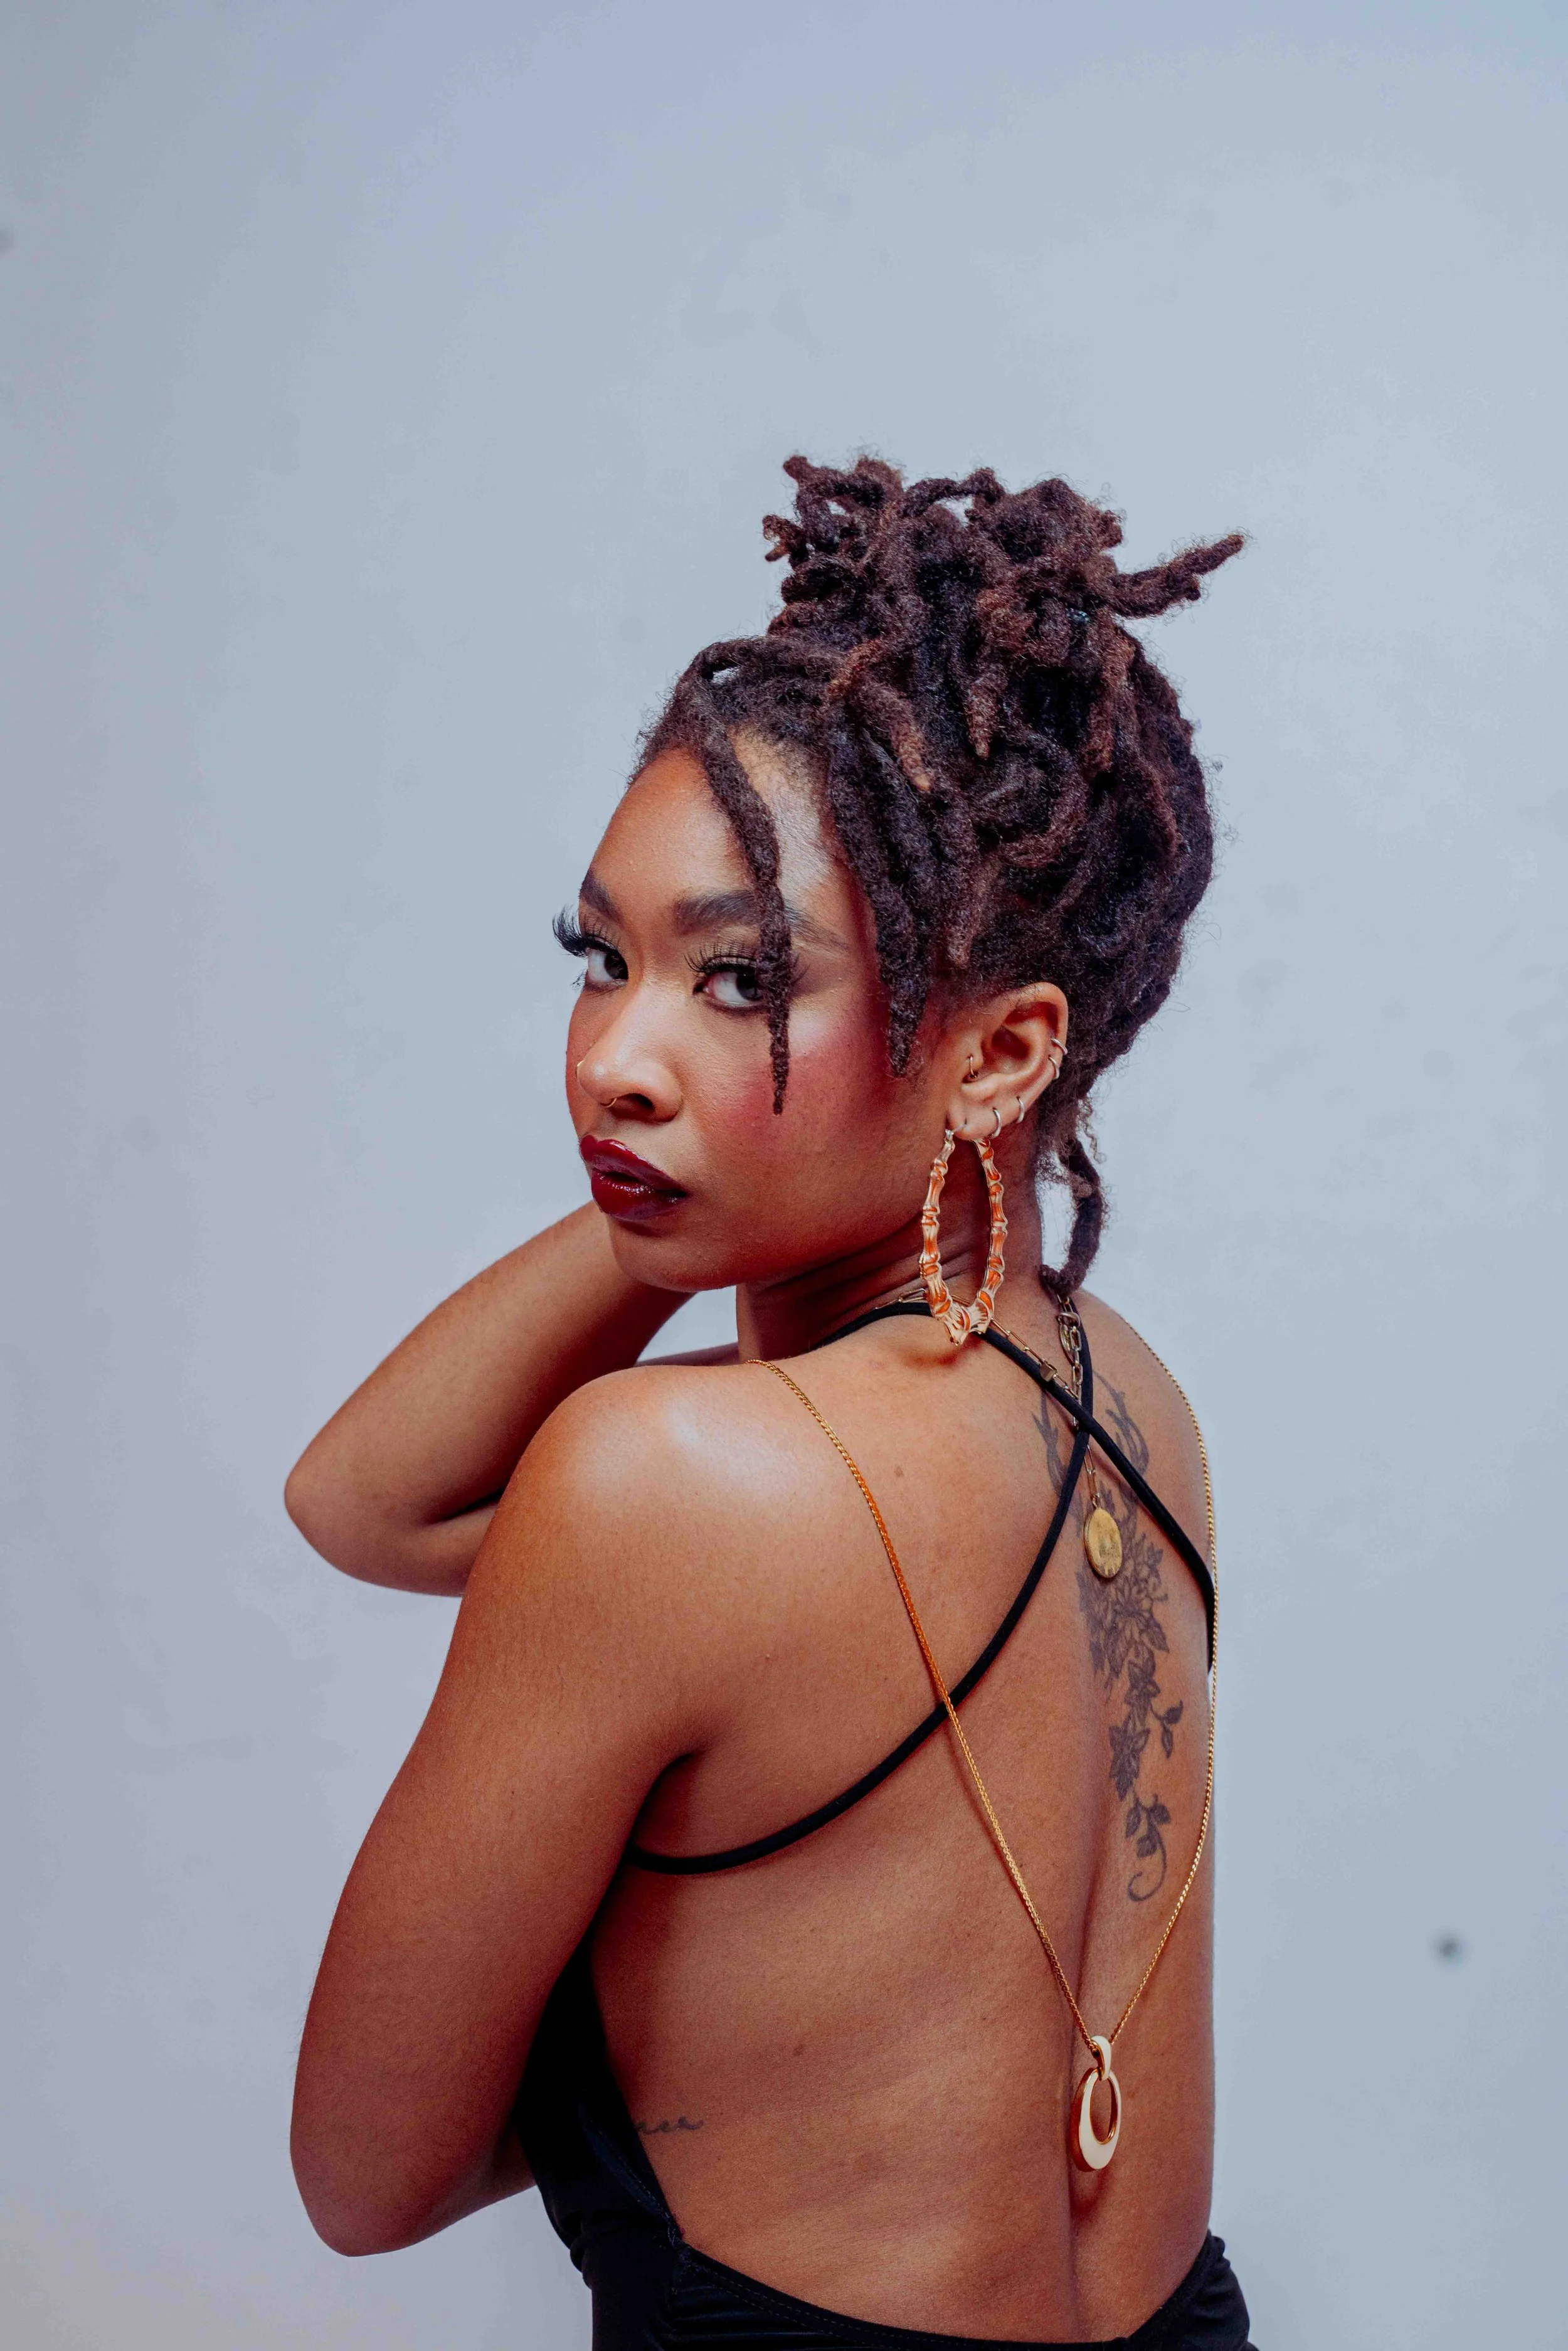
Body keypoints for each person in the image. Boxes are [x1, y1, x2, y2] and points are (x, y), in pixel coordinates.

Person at [286, 456, 1251, 2348]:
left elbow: (363, 2177)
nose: (612, 1058)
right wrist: (707, 1166)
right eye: (603, 958)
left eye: (741, 980)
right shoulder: (1118, 1387)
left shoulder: (662, 1488)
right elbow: (369, 1504)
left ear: (1000, 1046)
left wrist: (630, 1969)